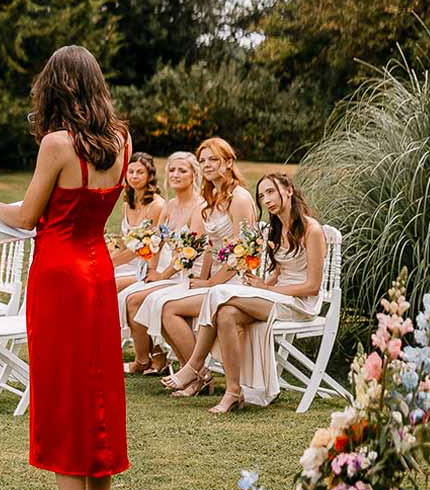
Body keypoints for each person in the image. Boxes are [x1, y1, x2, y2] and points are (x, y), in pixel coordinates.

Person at [0, 45, 130, 490]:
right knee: (99, 395)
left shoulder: (58, 144)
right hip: (98, 272)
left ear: (54, 87)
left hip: (60, 277)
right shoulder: (121, 140)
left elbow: (26, 215)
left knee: (63, 398)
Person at [166, 174, 325, 412]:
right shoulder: (276, 229)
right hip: (278, 295)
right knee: (226, 313)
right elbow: (282, 270)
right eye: (262, 195)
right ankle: (233, 391)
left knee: (219, 292)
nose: (267, 199)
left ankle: (194, 365)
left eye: (271, 192)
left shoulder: (312, 229)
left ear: (289, 190)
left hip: (301, 303)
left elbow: (312, 286)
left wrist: (268, 289)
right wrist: (265, 282)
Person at [137, 137, 257, 377]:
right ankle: (191, 372)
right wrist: (202, 279)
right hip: (214, 280)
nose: (207, 165)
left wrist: (211, 283)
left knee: (167, 308)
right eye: (203, 160)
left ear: (229, 162)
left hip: (235, 283)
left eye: (214, 159)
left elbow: (242, 254)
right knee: (155, 302)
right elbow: (212, 247)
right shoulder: (213, 195)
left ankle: (198, 374)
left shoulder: (240, 198)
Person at [122, 152, 205, 374]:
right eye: (172, 170)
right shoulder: (169, 205)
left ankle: (192, 369)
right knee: (132, 299)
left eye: (182, 170)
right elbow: (156, 242)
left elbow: (192, 252)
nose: (175, 175)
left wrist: (162, 275)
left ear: (194, 175)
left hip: (191, 275)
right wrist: (151, 271)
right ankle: (153, 359)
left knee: (146, 300)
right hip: (171, 273)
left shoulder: (199, 206)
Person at [108, 151, 165, 296]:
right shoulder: (127, 204)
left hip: (148, 264)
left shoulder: (156, 206)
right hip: (127, 262)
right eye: (131, 172)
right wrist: (106, 257)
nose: (134, 176)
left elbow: (141, 250)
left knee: (108, 282)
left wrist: (109, 264)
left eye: (140, 172)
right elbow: (122, 243)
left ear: (149, 176)